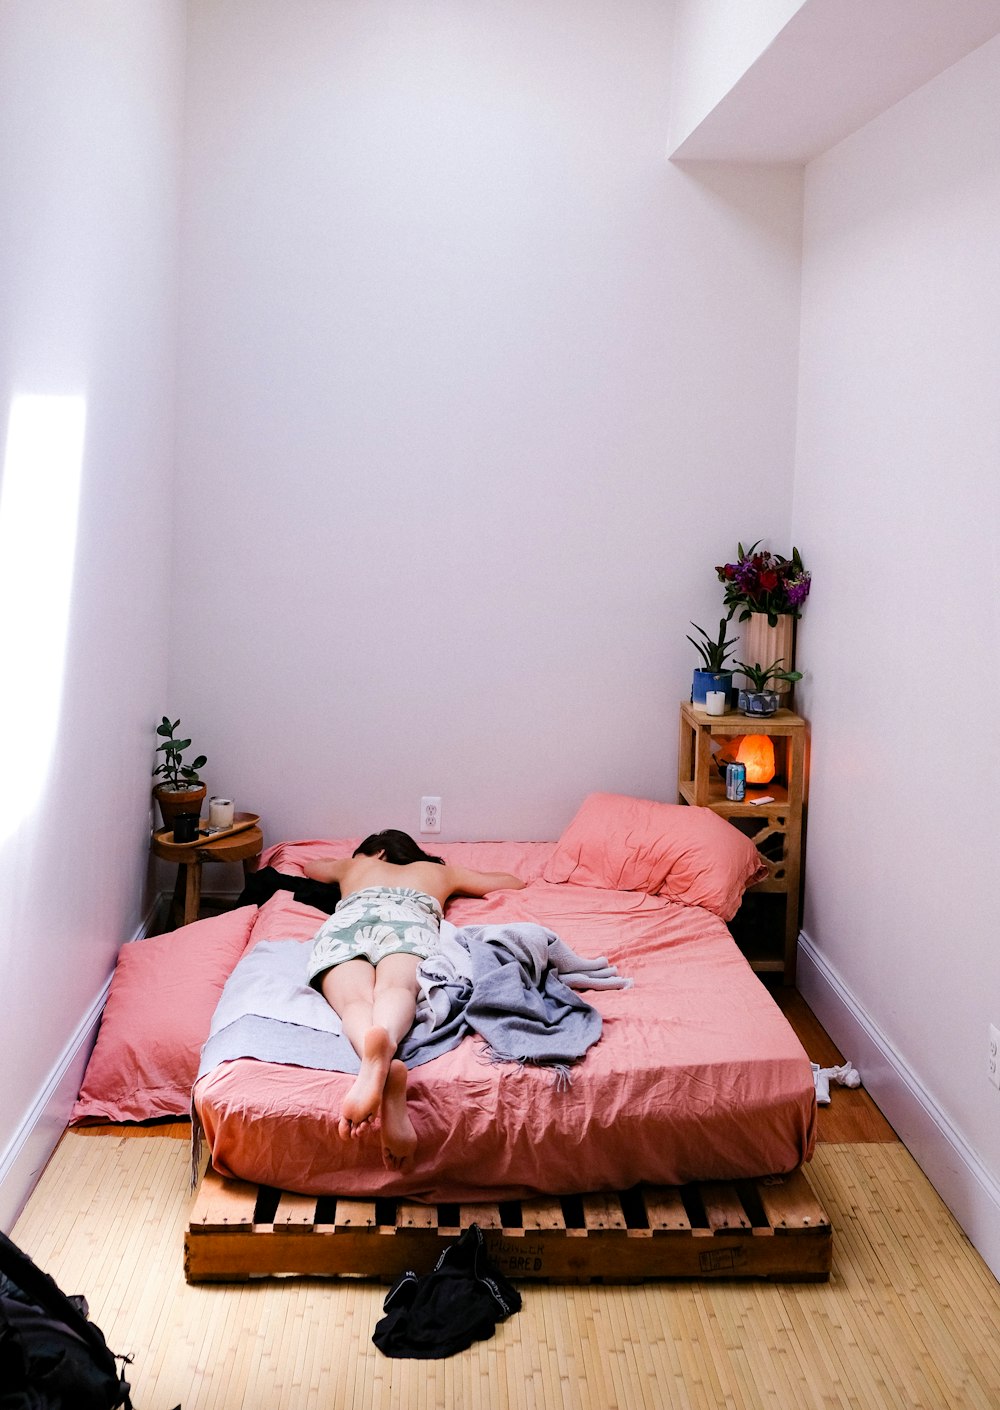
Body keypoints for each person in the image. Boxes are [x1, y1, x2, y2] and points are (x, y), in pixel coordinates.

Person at [304, 829, 525, 1170]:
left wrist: (352, 863)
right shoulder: (438, 873)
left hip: (351, 920)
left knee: (354, 1003)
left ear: (377, 852)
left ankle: (373, 1060)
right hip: (410, 921)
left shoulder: (352, 868)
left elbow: (312, 867)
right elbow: (509, 882)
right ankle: (385, 1052)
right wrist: (452, 874)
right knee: (398, 990)